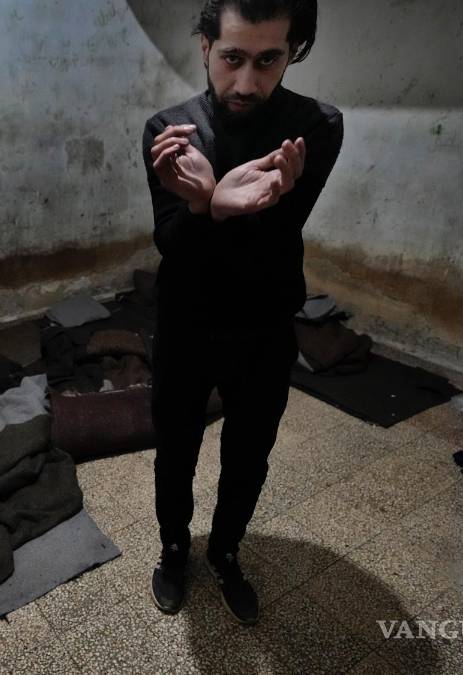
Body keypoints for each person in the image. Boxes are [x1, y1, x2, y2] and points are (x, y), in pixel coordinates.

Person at [141, 0, 343, 624]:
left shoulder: (314, 127)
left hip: (263, 324)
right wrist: (203, 208)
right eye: (232, 57)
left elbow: (278, 241)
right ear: (205, 46)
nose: (247, 83)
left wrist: (223, 208)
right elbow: (171, 244)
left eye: (268, 60)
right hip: (185, 323)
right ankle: (175, 548)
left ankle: (226, 551)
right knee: (176, 446)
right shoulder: (170, 131)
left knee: (249, 453)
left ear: (292, 52)